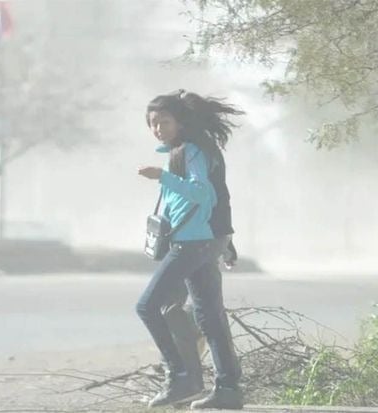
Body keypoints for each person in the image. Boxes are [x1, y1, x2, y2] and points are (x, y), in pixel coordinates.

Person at [136, 90, 244, 409]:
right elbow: (218, 199)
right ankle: (228, 390)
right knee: (209, 317)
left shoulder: (191, 151)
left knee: (148, 306)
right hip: (204, 240)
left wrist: (163, 177)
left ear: (180, 122)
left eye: (164, 122)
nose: (158, 129)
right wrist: (226, 240)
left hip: (193, 243)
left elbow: (203, 194)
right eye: (152, 123)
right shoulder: (189, 150)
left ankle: (182, 377)